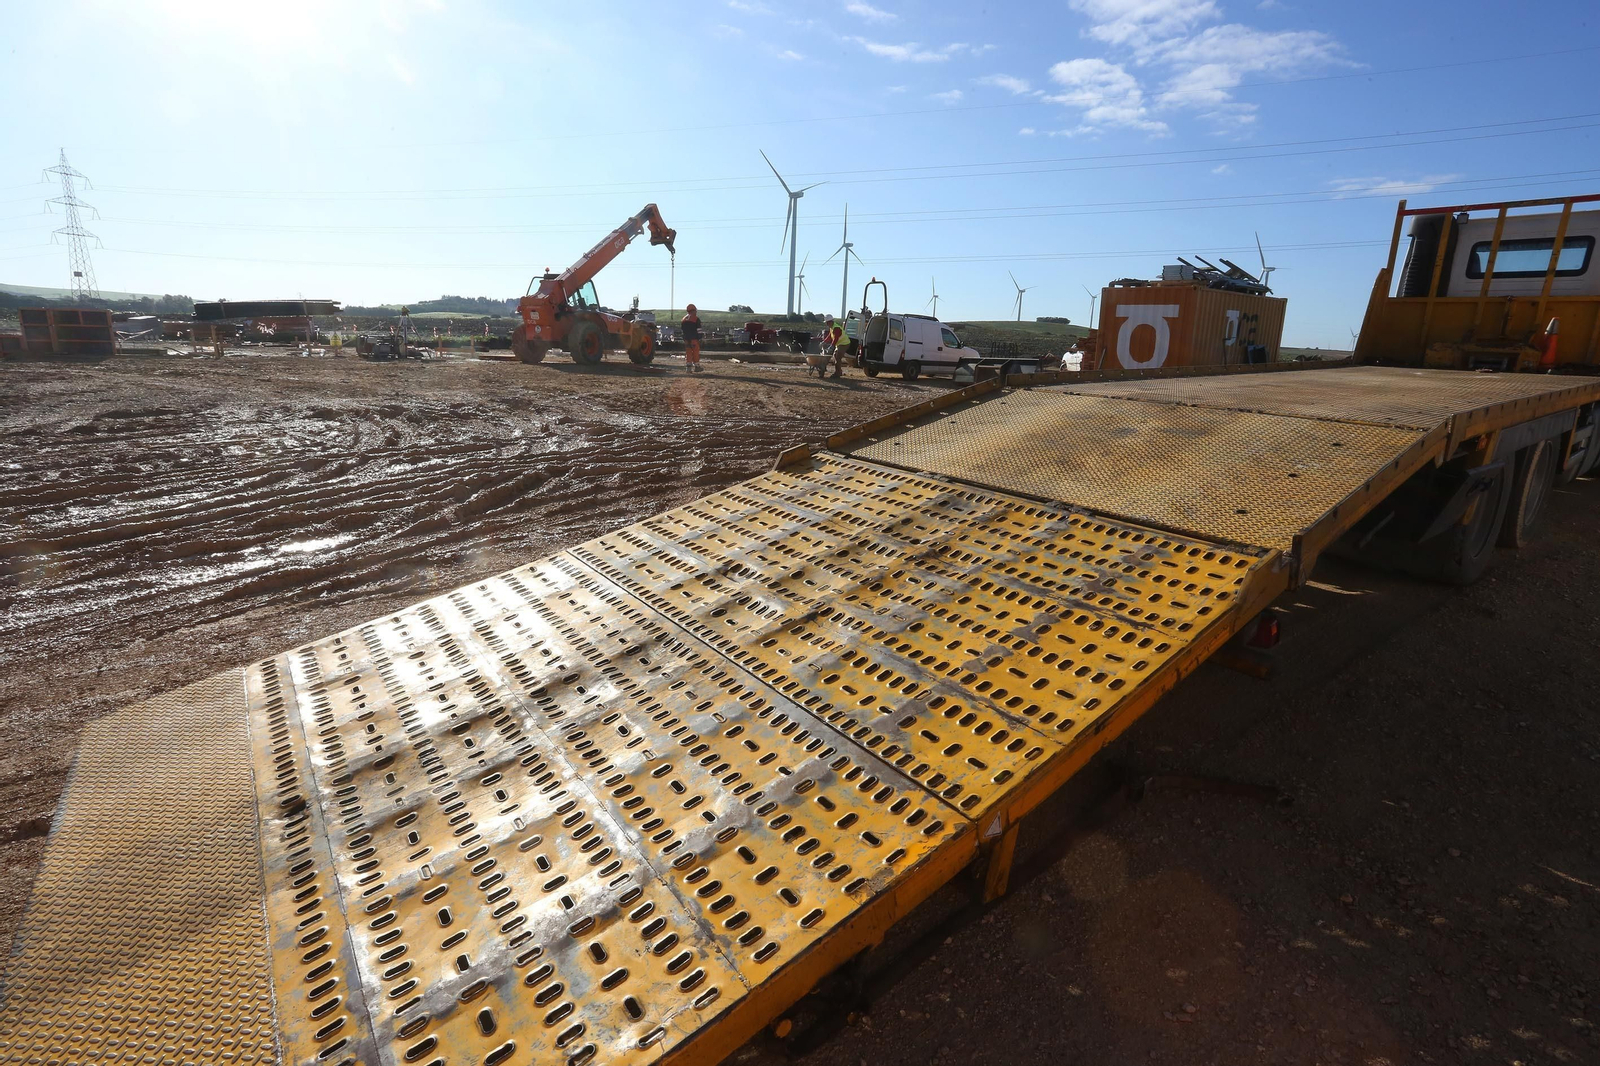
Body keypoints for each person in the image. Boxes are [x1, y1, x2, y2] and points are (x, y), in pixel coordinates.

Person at [681, 304, 702, 372]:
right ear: (693, 310)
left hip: (686, 339)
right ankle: (697, 366)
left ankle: (688, 368)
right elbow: (699, 330)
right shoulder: (696, 319)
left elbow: (682, 330)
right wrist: (700, 337)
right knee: (695, 352)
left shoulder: (683, 319)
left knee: (688, 352)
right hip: (694, 339)